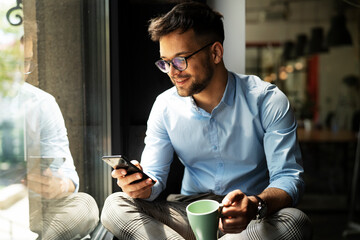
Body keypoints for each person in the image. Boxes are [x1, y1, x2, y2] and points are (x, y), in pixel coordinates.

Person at [101, 2, 312, 239]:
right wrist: (140, 186)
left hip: (249, 216)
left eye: (181, 59)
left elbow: (288, 178)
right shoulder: (164, 106)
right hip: (189, 212)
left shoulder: (267, 100)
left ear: (215, 53)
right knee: (115, 205)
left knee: (295, 221)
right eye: (165, 62)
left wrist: (255, 204)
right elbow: (153, 182)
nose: (172, 71)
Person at [0, 35, 99, 239]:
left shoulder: (41, 103)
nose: (19, 73)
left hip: (33, 210)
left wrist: (57, 186)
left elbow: (70, 178)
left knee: (84, 205)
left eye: (25, 62)